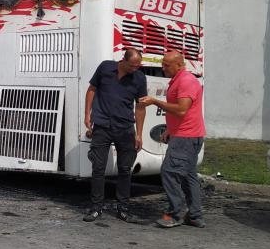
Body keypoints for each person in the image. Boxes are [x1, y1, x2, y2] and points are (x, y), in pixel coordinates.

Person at [139, 50, 206, 228]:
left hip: (186, 138)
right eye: (163, 63)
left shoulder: (186, 81)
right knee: (188, 176)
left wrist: (154, 101)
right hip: (187, 135)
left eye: (166, 65)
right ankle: (195, 215)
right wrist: (170, 128)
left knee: (169, 172)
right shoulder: (179, 79)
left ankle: (175, 214)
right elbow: (185, 112)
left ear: (179, 64)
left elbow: (182, 109)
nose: (163, 67)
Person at [83, 48, 147, 222]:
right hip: (102, 126)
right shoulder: (105, 68)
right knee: (98, 168)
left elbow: (140, 107)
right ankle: (96, 208)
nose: (135, 69)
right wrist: (87, 115)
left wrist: (139, 134)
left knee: (125, 169)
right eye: (133, 65)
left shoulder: (140, 78)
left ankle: (123, 209)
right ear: (123, 60)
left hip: (125, 128)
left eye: (138, 66)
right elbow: (92, 89)